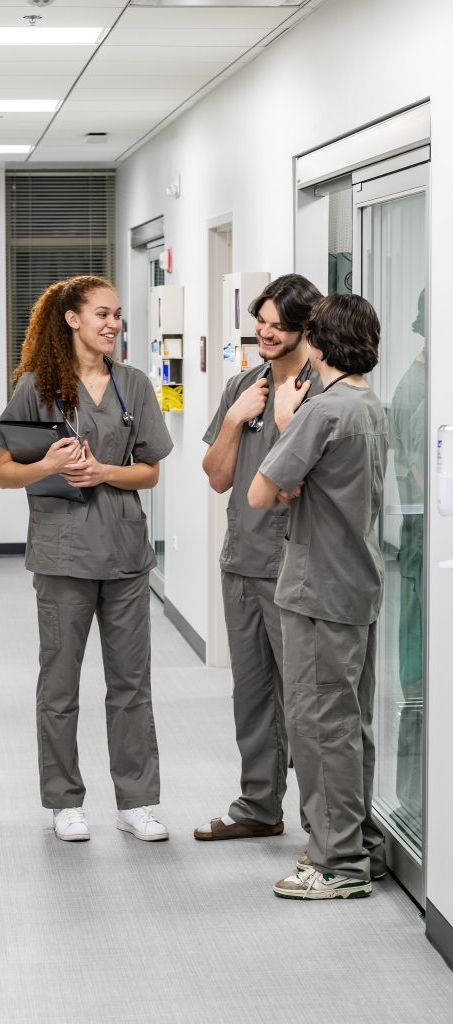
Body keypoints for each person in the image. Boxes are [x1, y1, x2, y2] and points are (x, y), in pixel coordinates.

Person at [0, 275, 173, 843]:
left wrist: (103, 472)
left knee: (131, 683)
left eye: (118, 315)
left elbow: (150, 470)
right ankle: (65, 801)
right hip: (63, 555)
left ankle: (137, 801)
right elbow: (3, 474)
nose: (113, 323)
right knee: (60, 683)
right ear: (71, 319)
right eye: (102, 314)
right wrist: (48, 465)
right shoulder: (36, 387)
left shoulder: (134, 386)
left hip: (124, 554)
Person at [249, 292, 388, 900]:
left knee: (320, 723)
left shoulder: (322, 410)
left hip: (317, 590)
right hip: (355, 583)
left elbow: (260, 493)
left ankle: (337, 863)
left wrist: (284, 425)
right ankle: (357, 845)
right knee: (350, 722)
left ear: (319, 343)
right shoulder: (369, 406)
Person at [195, 274, 322, 843]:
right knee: (250, 695)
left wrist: (281, 421)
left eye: (278, 324)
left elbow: (301, 485)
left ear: (305, 327)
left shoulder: (322, 394)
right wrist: (232, 419)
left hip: (297, 568)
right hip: (242, 562)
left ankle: (325, 831)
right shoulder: (242, 387)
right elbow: (218, 477)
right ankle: (258, 806)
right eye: (261, 322)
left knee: (305, 703)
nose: (265, 333)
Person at [389, 289, 425, 841]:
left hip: (421, 556)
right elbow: (422, 483)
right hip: (424, 557)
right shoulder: (420, 394)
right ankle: (415, 806)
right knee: (421, 686)